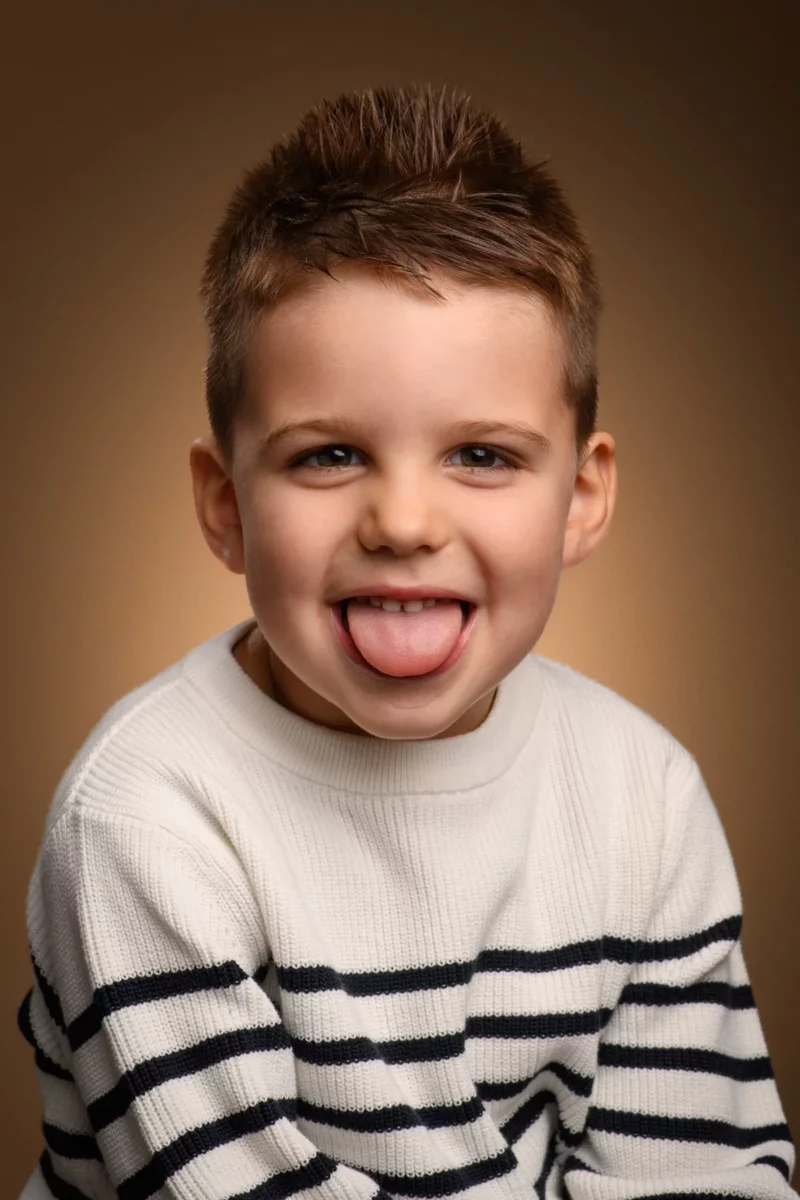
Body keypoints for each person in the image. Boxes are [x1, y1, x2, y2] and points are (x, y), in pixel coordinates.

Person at [16, 83, 796, 1200]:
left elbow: (703, 1174)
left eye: (480, 455)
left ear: (579, 498)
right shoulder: (145, 818)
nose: (404, 523)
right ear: (225, 504)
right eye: (328, 455)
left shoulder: (642, 798)